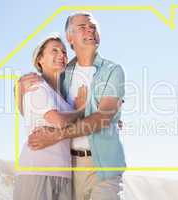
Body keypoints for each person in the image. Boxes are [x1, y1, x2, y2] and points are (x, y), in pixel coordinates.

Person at [18, 12, 126, 200]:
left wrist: (57, 135)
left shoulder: (112, 70)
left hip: (105, 164)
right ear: (70, 37)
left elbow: (103, 117)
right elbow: (37, 109)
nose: (90, 30)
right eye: (82, 27)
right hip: (70, 167)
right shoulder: (61, 73)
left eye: (93, 26)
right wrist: (18, 90)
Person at [14, 33, 86, 200]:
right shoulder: (35, 86)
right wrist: (81, 110)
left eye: (64, 52)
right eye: (54, 51)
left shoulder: (64, 99)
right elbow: (59, 121)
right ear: (40, 59)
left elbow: (82, 127)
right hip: (37, 170)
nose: (61, 55)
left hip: (64, 174)